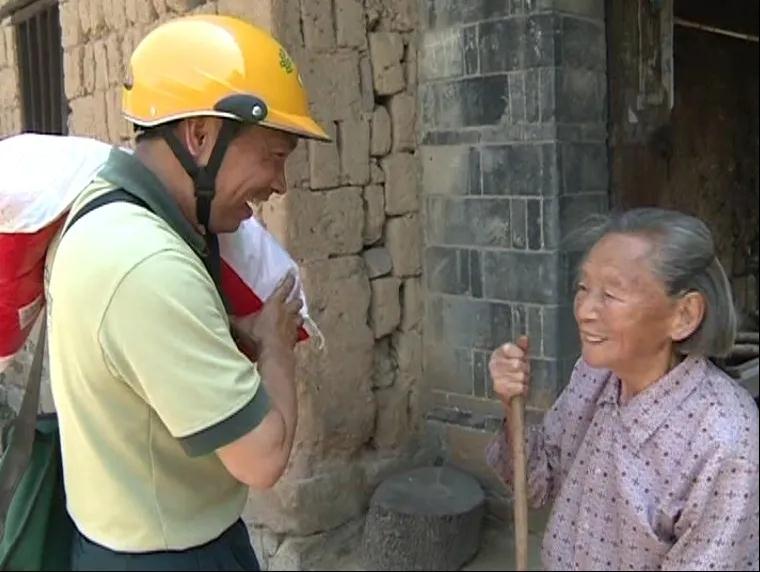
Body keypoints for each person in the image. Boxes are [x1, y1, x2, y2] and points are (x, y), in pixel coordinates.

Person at [46, 15, 329, 570]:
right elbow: (263, 458)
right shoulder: (147, 265)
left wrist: (232, 329)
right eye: (273, 156)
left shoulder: (111, 213)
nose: (280, 184)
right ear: (200, 136)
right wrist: (275, 346)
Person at [486, 208, 759, 571]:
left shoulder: (725, 442)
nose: (584, 310)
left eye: (611, 294)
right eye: (583, 288)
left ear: (684, 315)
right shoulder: (595, 375)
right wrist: (511, 405)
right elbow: (539, 482)